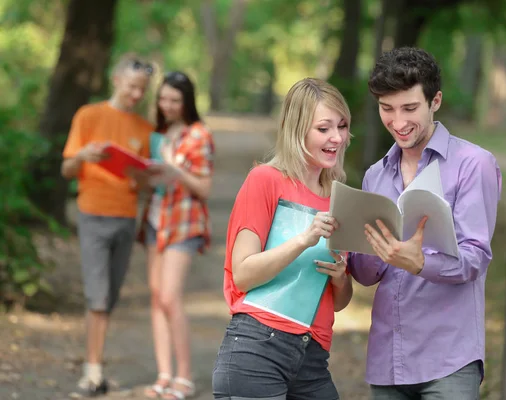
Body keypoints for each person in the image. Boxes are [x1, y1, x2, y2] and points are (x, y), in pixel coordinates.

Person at [348, 47, 502, 399]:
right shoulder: (375, 175)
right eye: (387, 109)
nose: (398, 122)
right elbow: (367, 273)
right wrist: (354, 251)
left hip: (449, 360)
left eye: (409, 108)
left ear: (435, 101)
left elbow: (475, 256)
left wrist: (421, 263)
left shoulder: (473, 165)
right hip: (388, 360)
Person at [212, 78, 354, 400]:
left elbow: (339, 302)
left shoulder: (339, 199)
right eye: (324, 128)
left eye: (342, 126)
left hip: (313, 357)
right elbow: (244, 273)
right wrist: (304, 240)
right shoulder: (265, 180)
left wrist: (341, 279)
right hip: (257, 347)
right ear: (297, 129)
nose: (337, 137)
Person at [60, 53, 155, 396]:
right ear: (116, 80)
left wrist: (139, 176)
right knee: (97, 297)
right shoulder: (89, 116)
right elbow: (67, 170)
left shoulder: (145, 129)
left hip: (126, 217)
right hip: (93, 213)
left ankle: (97, 367)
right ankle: (91, 372)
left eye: (142, 90)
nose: (135, 95)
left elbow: (148, 182)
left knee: (110, 296)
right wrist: (83, 157)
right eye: (131, 87)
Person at [137, 71, 215, 400]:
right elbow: (147, 184)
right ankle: (164, 374)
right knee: (156, 298)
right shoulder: (157, 134)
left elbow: (204, 187)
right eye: (163, 99)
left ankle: (185, 377)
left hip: (184, 222)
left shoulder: (198, 136)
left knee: (170, 297)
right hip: (155, 219)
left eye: (174, 100)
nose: (167, 105)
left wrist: (175, 170)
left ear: (186, 102)